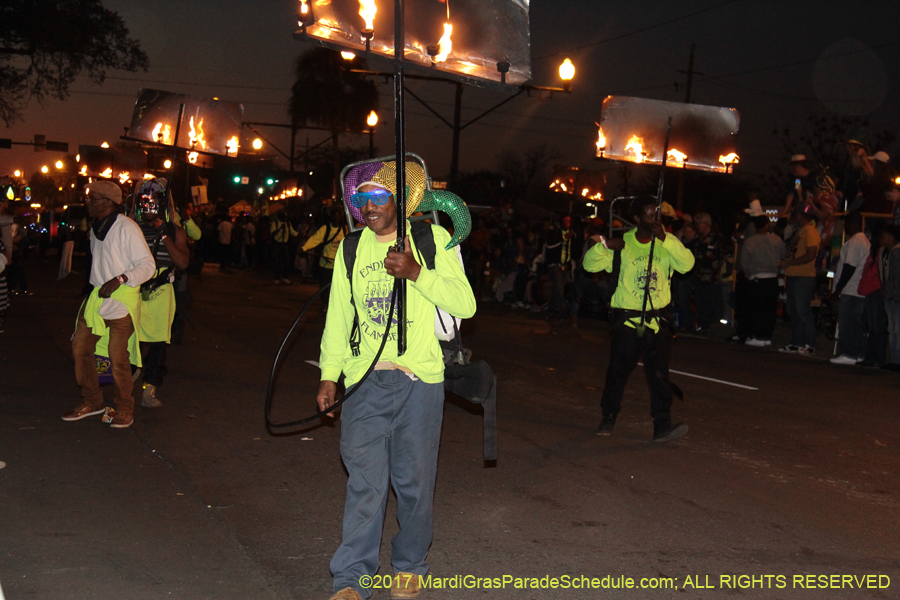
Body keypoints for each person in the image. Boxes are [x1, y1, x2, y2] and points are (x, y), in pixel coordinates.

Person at [316, 173, 476, 600]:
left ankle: (409, 565)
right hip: (365, 382)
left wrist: (417, 273)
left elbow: (466, 304)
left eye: (378, 197)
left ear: (400, 201)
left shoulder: (430, 239)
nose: (367, 206)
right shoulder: (350, 249)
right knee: (365, 484)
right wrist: (330, 376)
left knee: (414, 483)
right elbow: (338, 319)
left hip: (419, 382)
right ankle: (351, 578)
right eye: (360, 198)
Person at [583, 196, 695, 443]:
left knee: (659, 376)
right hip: (628, 321)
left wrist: (666, 239)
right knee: (617, 372)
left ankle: (662, 425)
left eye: (657, 214)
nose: (655, 219)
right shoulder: (623, 244)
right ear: (636, 218)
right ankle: (608, 416)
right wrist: (604, 245)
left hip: (658, 322)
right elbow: (590, 266)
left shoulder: (667, 242)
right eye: (648, 214)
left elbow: (687, 265)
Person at [62, 181, 155, 429]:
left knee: (118, 358)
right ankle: (92, 401)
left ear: (108, 202)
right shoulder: (96, 228)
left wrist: (121, 278)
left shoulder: (127, 227)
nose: (88, 202)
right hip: (97, 298)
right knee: (80, 349)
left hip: (121, 300)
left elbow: (148, 265)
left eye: (93, 198)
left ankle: (124, 408)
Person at [133, 178, 190, 407]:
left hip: (160, 293)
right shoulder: (131, 228)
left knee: (157, 345)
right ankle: (129, 378)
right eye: (145, 202)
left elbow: (183, 262)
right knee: (129, 340)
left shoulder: (175, 232)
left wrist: (163, 234)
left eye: (154, 202)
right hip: (134, 291)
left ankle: (150, 389)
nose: (149, 207)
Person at [778, 203, 821, 355]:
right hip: (794, 275)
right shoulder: (801, 231)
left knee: (803, 311)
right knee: (793, 310)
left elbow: (811, 254)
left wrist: (788, 263)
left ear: (800, 216)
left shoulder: (810, 232)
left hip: (804, 276)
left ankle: (809, 343)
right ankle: (797, 342)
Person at [829, 213, 870, 365]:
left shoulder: (855, 241)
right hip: (856, 289)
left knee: (848, 323)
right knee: (857, 324)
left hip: (851, 289)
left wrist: (838, 289)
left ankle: (849, 353)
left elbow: (849, 266)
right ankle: (858, 353)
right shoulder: (863, 241)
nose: (846, 227)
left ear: (854, 224)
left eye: (847, 224)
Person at [740, 216, 786, 346]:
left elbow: (744, 263)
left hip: (757, 278)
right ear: (767, 225)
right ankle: (767, 336)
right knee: (770, 309)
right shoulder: (776, 240)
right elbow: (784, 255)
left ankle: (759, 336)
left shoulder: (750, 242)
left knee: (758, 308)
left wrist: (749, 275)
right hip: (772, 277)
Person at [301, 207, 346, 303]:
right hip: (326, 264)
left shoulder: (345, 230)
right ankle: (325, 303)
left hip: (340, 265)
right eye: (334, 216)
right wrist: (304, 248)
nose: (336, 218)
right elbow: (315, 239)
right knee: (325, 286)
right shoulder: (326, 229)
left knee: (340, 287)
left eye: (338, 216)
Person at [880, 225, 900, 372]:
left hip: (894, 297)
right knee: (893, 328)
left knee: (895, 329)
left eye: (885, 236)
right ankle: (895, 359)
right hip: (892, 295)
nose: (883, 239)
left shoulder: (896, 252)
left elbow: (896, 276)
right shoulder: (889, 252)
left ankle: (896, 360)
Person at [270, 209, 298, 284]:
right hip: (277, 244)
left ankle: (285, 277)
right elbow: (272, 234)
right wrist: (279, 229)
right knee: (277, 261)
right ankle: (276, 277)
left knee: (287, 261)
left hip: (285, 244)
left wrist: (298, 234)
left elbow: (292, 232)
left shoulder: (287, 223)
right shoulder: (275, 223)